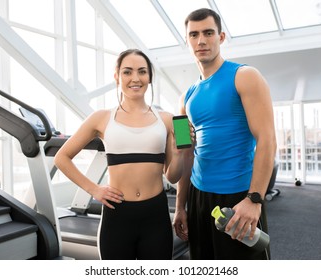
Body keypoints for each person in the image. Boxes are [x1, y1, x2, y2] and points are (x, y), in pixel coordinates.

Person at [54, 49, 183, 260]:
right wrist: (94, 189)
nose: (135, 78)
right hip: (117, 215)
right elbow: (62, 157)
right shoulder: (101, 118)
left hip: (155, 216)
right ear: (117, 77)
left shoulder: (170, 120)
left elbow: (173, 177)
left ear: (150, 77)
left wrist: (178, 154)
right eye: (127, 72)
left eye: (142, 72)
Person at [172, 8, 277, 260]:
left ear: (221, 37)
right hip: (198, 196)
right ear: (187, 41)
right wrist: (180, 207)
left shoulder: (246, 76)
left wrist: (254, 198)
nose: (201, 40)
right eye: (194, 35)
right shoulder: (184, 98)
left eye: (208, 33)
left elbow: (268, 140)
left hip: (239, 195)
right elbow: (185, 154)